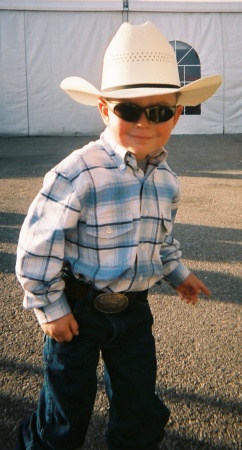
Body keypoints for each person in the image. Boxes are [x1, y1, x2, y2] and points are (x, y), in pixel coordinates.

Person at [15, 21, 222, 450]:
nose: (145, 122)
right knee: (64, 415)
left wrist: (179, 273)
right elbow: (38, 245)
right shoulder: (79, 172)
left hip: (133, 315)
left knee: (139, 407)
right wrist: (50, 307)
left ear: (177, 114)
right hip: (78, 309)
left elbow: (160, 241)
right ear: (105, 110)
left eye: (160, 111)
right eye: (129, 109)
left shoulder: (167, 181)